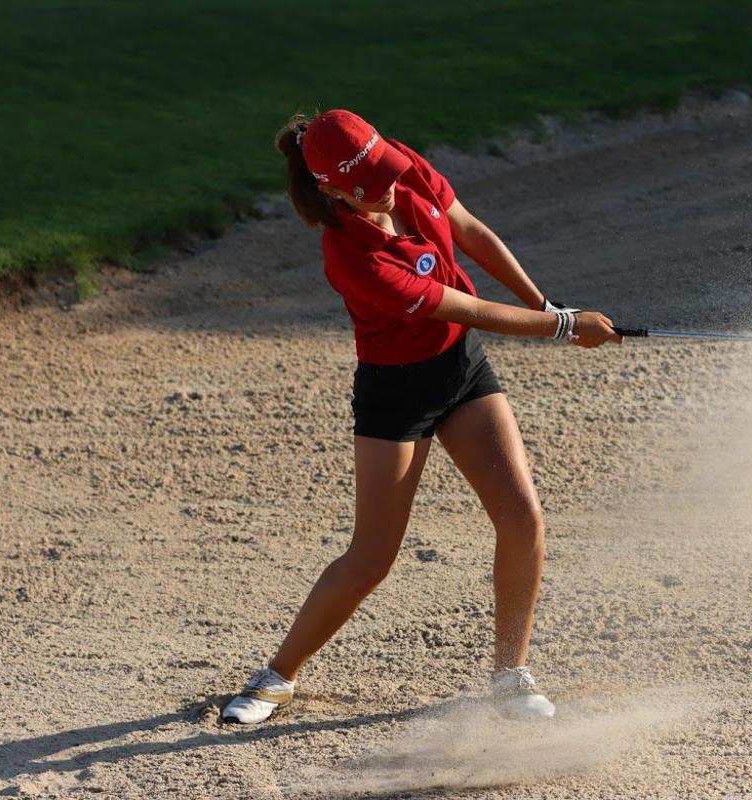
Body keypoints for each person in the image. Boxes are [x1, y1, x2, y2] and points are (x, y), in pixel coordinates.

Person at [221, 109, 620, 725]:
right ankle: (277, 677)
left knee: (522, 517)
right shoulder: (350, 257)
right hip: (394, 394)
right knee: (372, 557)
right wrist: (565, 328)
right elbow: (467, 307)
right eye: (370, 181)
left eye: (387, 167)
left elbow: (472, 231)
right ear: (332, 189)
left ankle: (510, 677)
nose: (388, 185)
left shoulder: (402, 169)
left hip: (459, 369)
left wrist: (545, 303)